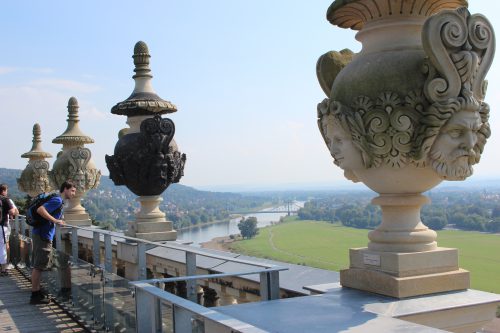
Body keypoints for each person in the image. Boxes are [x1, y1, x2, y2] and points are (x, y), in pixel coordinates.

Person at [30, 180, 76, 305]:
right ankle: (35, 295)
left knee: (39, 265)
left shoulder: (57, 200)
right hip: (42, 235)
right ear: (65, 189)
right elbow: (40, 210)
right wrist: (56, 221)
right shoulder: (58, 200)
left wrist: (58, 220)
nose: (74, 193)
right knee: (39, 266)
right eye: (72, 190)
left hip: (40, 233)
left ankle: (37, 291)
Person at [0, 184, 16, 276]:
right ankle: (3, 269)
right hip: (2, 226)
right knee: (2, 247)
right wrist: (12, 210)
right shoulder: (5, 199)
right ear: (4, 191)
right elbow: (12, 212)